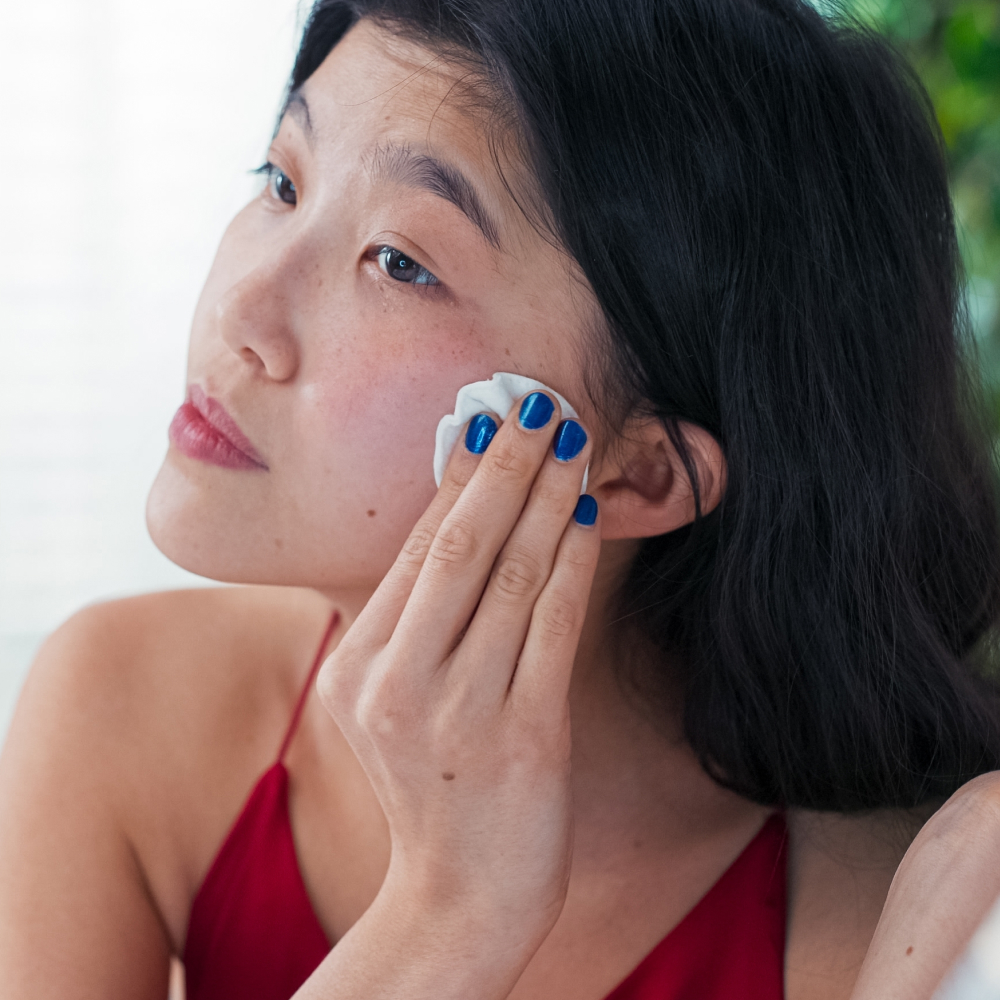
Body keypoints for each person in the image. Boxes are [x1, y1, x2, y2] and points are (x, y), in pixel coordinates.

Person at [2, 0, 1000, 997]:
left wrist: (450, 904)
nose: (240, 310)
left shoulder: (881, 914)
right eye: (283, 181)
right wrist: (446, 912)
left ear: (639, 471)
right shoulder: (128, 705)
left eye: (400, 263)